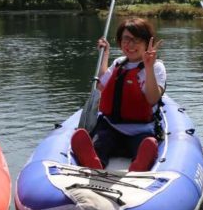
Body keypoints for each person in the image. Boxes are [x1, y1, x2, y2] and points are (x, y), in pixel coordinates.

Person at [71, 18, 166, 172]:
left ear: (147, 42)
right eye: (126, 39)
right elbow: (102, 86)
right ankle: (95, 165)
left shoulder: (156, 67)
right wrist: (105, 54)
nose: (130, 45)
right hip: (111, 127)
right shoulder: (119, 63)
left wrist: (148, 67)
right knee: (101, 144)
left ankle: (138, 167)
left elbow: (152, 99)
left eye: (136, 40)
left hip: (140, 130)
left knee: (145, 144)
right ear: (120, 41)